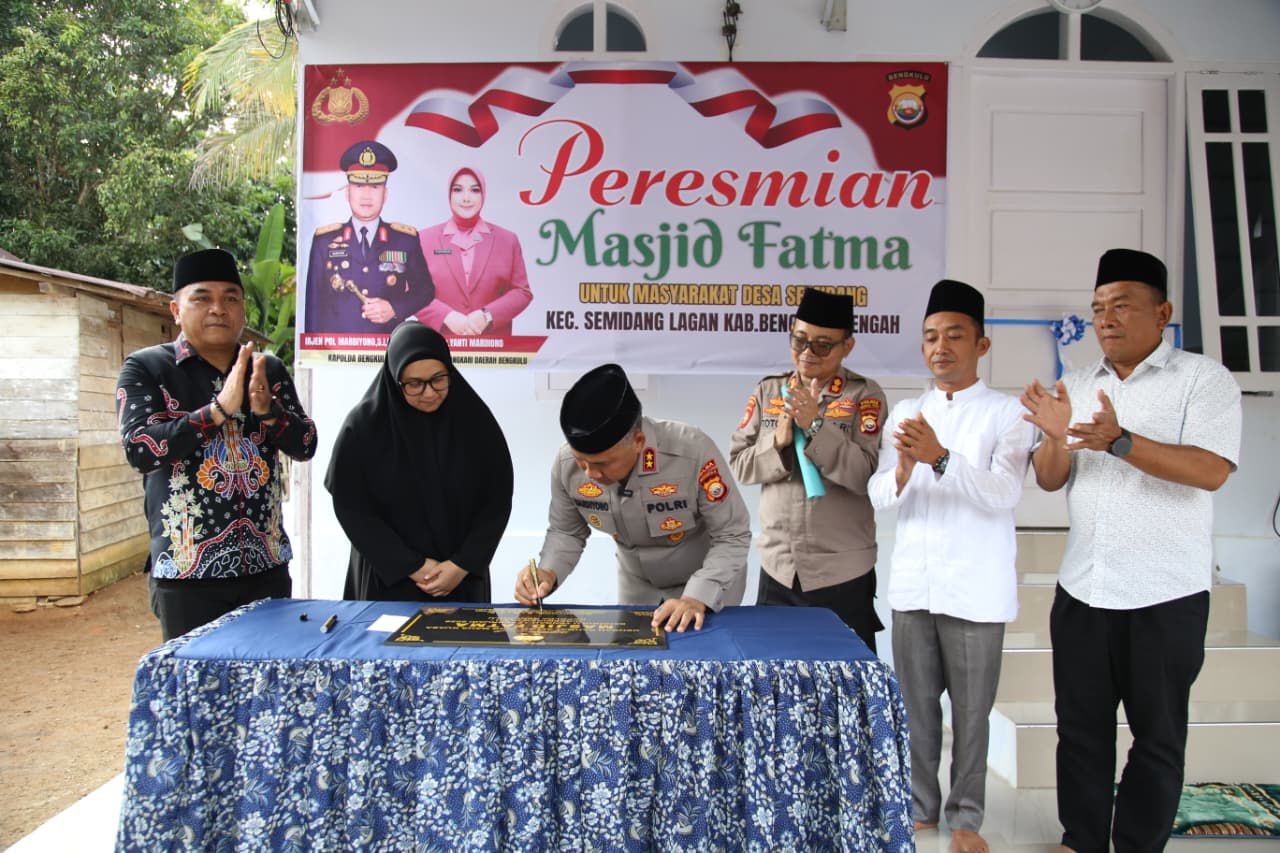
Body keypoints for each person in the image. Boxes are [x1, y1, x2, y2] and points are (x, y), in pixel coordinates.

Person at [1021, 248, 1242, 853]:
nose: (1106, 319)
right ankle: (1082, 840)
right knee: (1080, 731)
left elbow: (1211, 470)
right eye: (1098, 308)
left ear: (1162, 313)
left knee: (1158, 737)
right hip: (1084, 588)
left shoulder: (1202, 379)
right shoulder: (1077, 385)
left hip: (1166, 593)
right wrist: (1052, 435)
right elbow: (1049, 479)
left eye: (1121, 305)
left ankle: (1139, 846)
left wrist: (1121, 441)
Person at [868, 279, 1033, 853]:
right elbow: (879, 495)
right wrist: (905, 468)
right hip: (915, 586)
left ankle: (966, 817)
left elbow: (1004, 492)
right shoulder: (908, 412)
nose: (941, 347)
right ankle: (919, 808)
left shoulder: (1009, 413)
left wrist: (939, 457)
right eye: (932, 337)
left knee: (971, 714)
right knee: (915, 711)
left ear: (981, 345)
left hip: (975, 590)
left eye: (955, 336)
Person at [116, 248, 317, 640]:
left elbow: (305, 445)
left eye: (230, 298)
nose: (218, 309)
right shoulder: (148, 368)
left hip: (266, 569)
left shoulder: (268, 369)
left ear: (243, 310)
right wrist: (217, 411)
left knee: (267, 674)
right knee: (196, 677)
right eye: (202, 298)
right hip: (187, 575)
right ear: (175, 310)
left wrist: (269, 412)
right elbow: (140, 450)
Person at [514, 363, 751, 632]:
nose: (590, 473)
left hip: (707, 583)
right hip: (638, 586)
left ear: (638, 441)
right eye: (581, 461)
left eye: (602, 464)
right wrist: (547, 571)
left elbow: (732, 534)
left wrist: (697, 597)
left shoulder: (692, 452)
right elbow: (567, 531)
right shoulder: (566, 465)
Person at [728, 287, 886, 650]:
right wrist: (779, 441)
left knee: (844, 679)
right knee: (775, 676)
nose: (807, 353)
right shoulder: (769, 392)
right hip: (779, 568)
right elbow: (740, 465)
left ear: (847, 346)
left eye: (822, 345)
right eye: (799, 341)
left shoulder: (864, 396)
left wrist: (816, 426)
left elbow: (865, 474)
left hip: (841, 571)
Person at [325, 321, 513, 602]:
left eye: (438, 379)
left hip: (459, 579)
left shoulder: (475, 423)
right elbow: (352, 508)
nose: (429, 392)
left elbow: (496, 501)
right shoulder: (364, 427)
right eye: (414, 384)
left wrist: (462, 563)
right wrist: (410, 565)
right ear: (395, 380)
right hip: (388, 579)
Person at [304, 140, 434, 334]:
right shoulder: (324, 241)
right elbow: (314, 307)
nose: (366, 195)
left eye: (374, 187)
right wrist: (314, 349)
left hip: (389, 347)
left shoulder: (405, 240)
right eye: (358, 186)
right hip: (339, 350)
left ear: (385, 194)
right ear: (347, 192)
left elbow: (425, 290)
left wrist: (394, 308)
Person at [414, 166, 533, 336]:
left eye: (475, 190)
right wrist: (446, 316)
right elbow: (410, 291)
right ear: (449, 195)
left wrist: (487, 315)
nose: (466, 198)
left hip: (494, 345)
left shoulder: (507, 240)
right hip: (436, 342)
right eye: (458, 190)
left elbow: (522, 292)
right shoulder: (423, 239)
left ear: (483, 194)